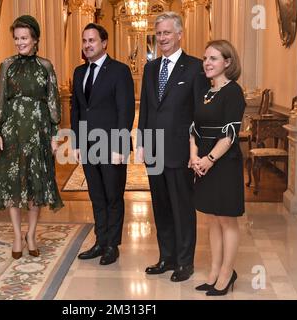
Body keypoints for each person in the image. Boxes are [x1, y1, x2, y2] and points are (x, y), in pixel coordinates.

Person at [137, 12, 209, 282]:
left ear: (180, 34)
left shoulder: (195, 68)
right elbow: (145, 107)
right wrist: (141, 142)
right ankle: (166, 257)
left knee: (182, 208)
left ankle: (184, 262)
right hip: (154, 150)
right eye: (159, 33)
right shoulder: (150, 68)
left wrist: (196, 150)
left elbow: (199, 114)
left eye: (167, 33)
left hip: (180, 151)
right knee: (161, 207)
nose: (162, 38)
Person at [0, 15, 63, 260]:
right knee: (13, 185)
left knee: (35, 186)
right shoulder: (6, 65)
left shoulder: (46, 66)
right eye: (17, 38)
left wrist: (54, 135)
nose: (20, 42)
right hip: (12, 133)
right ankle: (16, 235)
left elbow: (53, 101)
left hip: (39, 133)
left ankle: (31, 234)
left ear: (35, 40)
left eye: (24, 38)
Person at [71, 23, 135, 265]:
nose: (88, 44)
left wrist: (120, 146)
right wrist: (76, 143)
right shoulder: (79, 72)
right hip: (87, 145)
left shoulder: (119, 71)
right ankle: (100, 241)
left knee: (113, 196)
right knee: (96, 196)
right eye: (85, 40)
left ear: (104, 42)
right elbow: (76, 109)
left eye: (92, 40)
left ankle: (112, 246)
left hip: (112, 146)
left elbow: (125, 110)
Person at [189, 40, 246, 296]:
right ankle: (214, 271)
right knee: (212, 218)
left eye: (213, 58)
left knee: (227, 219)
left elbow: (230, 133)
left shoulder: (233, 92)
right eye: (205, 58)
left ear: (227, 62)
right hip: (203, 162)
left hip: (224, 164)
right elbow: (194, 128)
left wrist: (209, 160)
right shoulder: (205, 91)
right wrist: (194, 157)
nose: (207, 63)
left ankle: (227, 273)